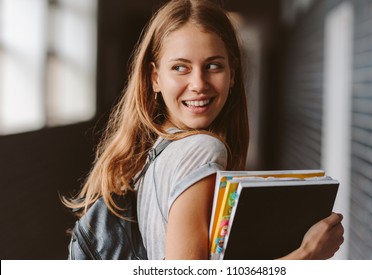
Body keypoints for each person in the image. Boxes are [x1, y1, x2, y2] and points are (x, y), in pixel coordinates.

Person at [64, 0, 344, 260]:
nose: (199, 83)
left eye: (213, 66)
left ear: (232, 73)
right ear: (155, 78)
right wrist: (307, 254)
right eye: (180, 68)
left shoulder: (155, 149)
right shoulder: (200, 150)